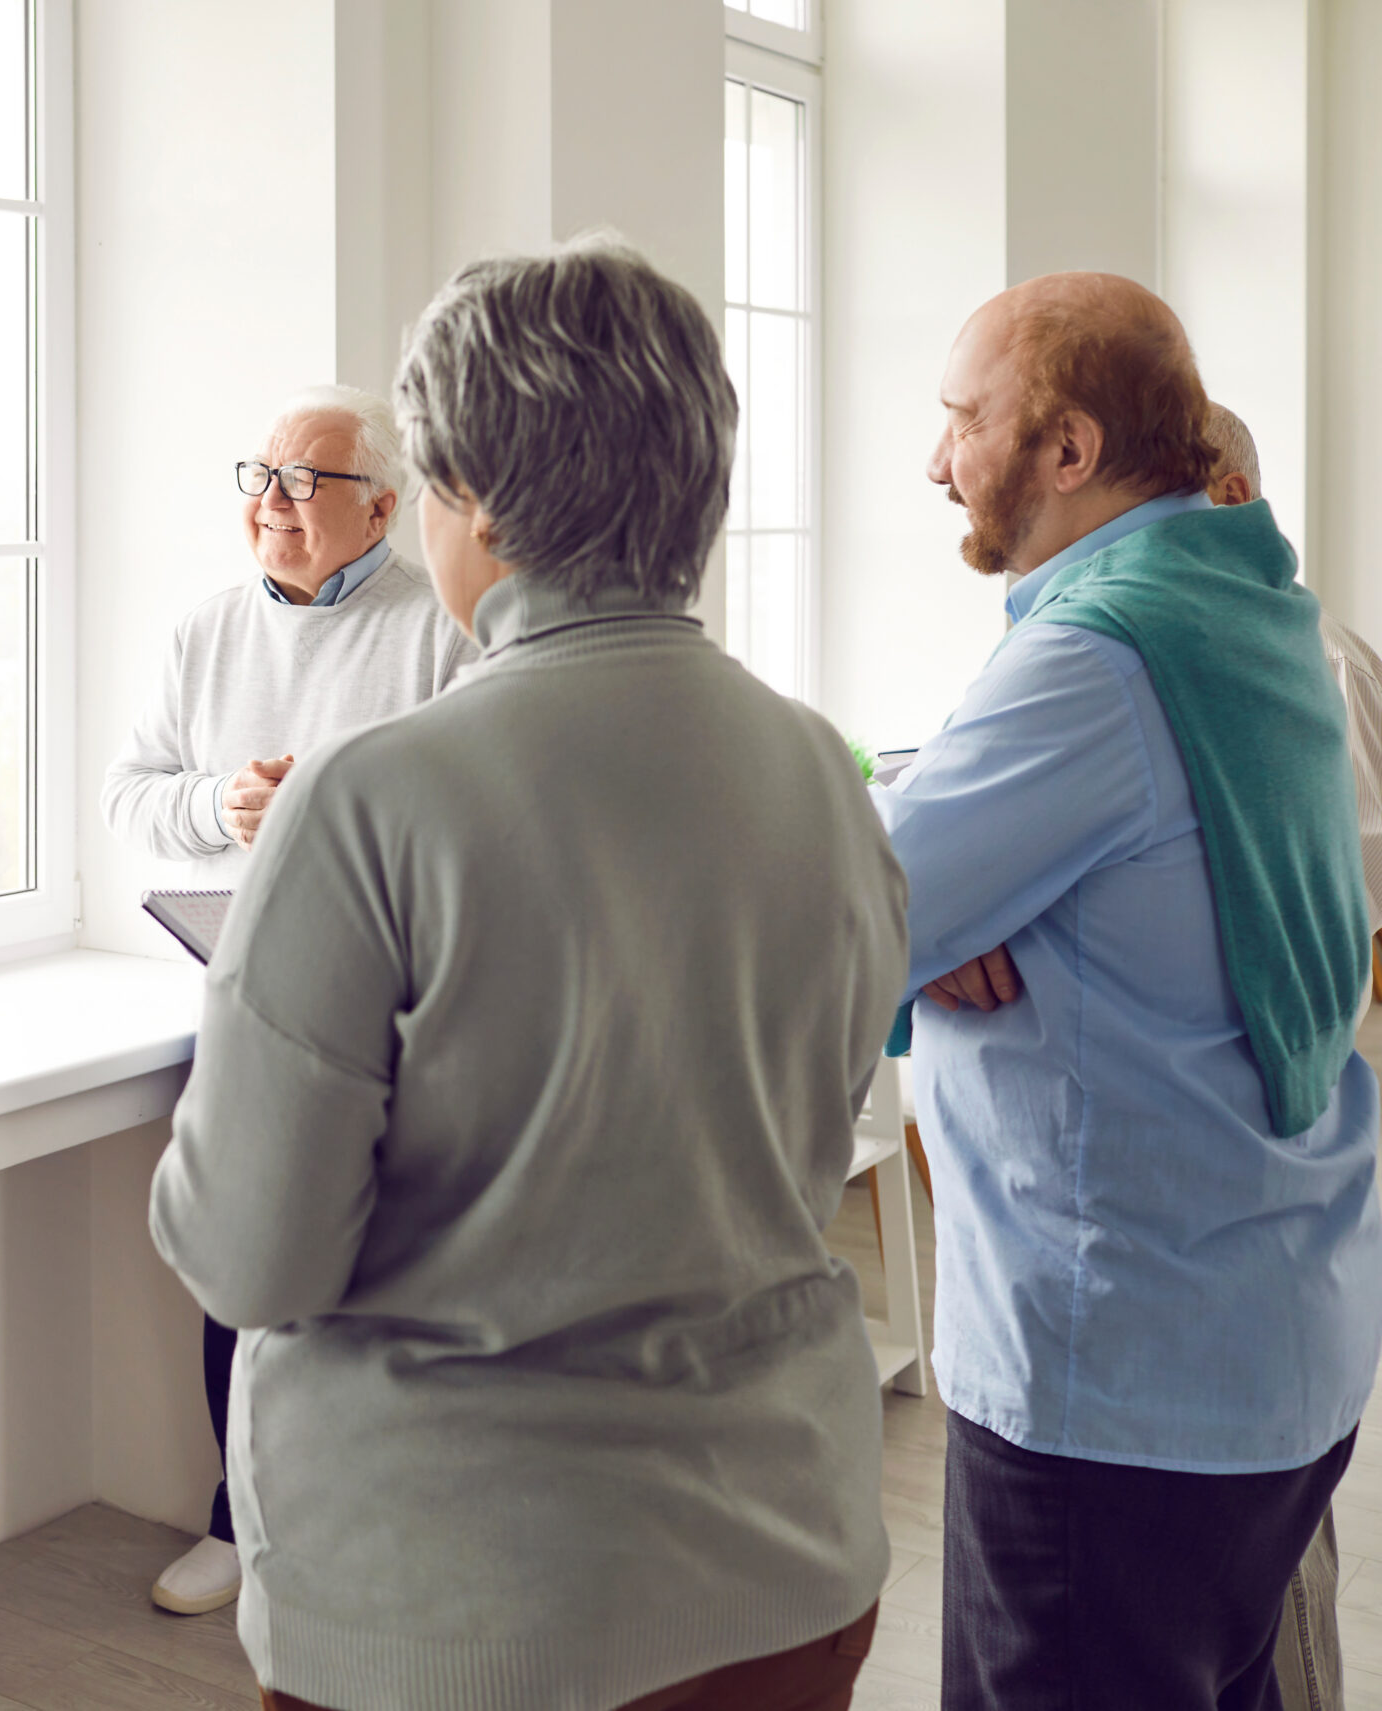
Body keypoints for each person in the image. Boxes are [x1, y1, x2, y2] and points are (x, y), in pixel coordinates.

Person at [150, 239, 904, 1711]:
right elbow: (812, 1142)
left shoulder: (373, 799)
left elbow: (247, 1256)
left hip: (459, 1605)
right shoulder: (821, 770)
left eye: (427, 485)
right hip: (783, 1573)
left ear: (477, 502)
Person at [871, 274, 1380, 1710]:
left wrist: (918, 893)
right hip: (1265, 1318)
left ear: (1071, 449)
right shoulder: (1243, 596)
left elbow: (844, 913)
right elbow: (919, 880)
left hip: (1116, 1373)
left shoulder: (1093, 660)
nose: (935, 459)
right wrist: (945, 877)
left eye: (963, 420)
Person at [100, 384, 474, 1616]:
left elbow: (475, 821)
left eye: (303, 483)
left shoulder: (437, 634)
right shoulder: (205, 631)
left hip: (405, 1013)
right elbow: (131, 799)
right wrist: (223, 806)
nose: (272, 504)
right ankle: (239, 1521)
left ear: (380, 504)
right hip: (247, 999)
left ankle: (387, 1539)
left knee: (389, 1278)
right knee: (243, 1269)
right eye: (258, 477)